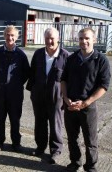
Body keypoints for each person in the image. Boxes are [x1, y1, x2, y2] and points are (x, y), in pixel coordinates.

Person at [61, 28, 111, 172]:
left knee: (90, 141)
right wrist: (65, 98)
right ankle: (75, 163)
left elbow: (104, 85)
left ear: (94, 40)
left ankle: (90, 167)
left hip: (88, 107)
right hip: (70, 106)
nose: (84, 41)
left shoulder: (101, 60)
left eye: (87, 38)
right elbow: (63, 80)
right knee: (72, 138)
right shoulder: (71, 58)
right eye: (81, 38)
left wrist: (86, 102)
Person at [26, 27, 69, 164]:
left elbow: (70, 78)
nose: (49, 41)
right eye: (47, 38)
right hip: (38, 94)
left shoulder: (65, 56)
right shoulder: (38, 54)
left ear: (58, 39)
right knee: (39, 122)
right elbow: (32, 73)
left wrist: (67, 97)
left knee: (55, 123)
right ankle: (40, 147)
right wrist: (32, 91)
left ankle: (55, 150)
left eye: (52, 38)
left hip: (57, 96)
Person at [0, 25, 30, 152]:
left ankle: (16, 143)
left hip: (15, 94)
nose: (10, 37)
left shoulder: (21, 55)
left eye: (12, 35)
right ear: (4, 36)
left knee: (15, 118)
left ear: (17, 37)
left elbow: (26, 73)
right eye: (8, 35)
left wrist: (16, 83)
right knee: (0, 118)